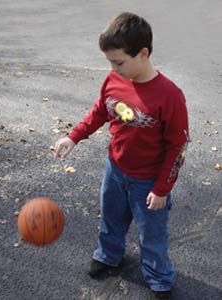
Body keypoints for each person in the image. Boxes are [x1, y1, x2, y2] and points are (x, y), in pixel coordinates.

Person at [54, 12, 189, 300]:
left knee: (152, 235)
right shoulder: (114, 81)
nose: (114, 69)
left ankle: (158, 277)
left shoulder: (169, 96)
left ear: (143, 53)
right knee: (111, 219)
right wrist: (73, 136)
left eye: (119, 62)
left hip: (148, 181)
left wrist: (162, 188)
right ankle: (109, 254)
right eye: (110, 63)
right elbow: (100, 111)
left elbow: (177, 146)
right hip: (115, 169)